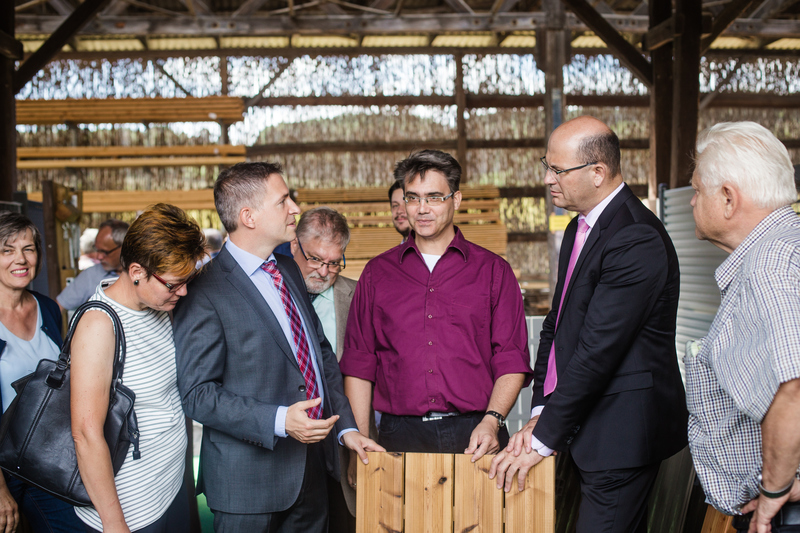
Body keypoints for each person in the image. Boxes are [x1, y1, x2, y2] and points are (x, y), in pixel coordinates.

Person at [488, 116, 687, 533]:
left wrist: (542, 437)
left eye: (557, 170)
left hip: (620, 434)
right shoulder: (581, 225)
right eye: (547, 165)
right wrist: (541, 410)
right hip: (580, 424)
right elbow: (557, 328)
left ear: (598, 173)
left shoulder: (635, 238)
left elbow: (598, 351)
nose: (546, 179)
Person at [173, 162, 383, 533]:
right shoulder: (204, 289)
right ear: (248, 216)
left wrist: (346, 430)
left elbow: (320, 357)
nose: (295, 209)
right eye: (283, 200)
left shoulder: (287, 270)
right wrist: (279, 420)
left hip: (312, 473)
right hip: (248, 487)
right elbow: (198, 395)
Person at [340, 149, 532, 461]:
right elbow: (360, 364)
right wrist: (361, 447)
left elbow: (511, 359)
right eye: (412, 198)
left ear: (456, 200)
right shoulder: (377, 274)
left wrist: (492, 420)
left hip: (477, 433)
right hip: (398, 437)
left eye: (434, 197)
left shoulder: (493, 271)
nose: (422, 209)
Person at [685, 122, 800, 533]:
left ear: (729, 199)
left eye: (698, 191)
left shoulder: (769, 265)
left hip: (783, 516)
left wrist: (773, 493)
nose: (692, 202)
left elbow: (794, 384)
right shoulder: (788, 247)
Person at [70, 204, 206, 533]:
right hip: (133, 507)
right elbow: (86, 435)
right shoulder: (98, 325)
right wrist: (114, 523)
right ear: (136, 271)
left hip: (171, 486)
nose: (183, 291)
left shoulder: (159, 305)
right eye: (174, 284)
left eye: (187, 280)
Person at [0, 211, 84, 533]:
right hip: (3, 468)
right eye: (8, 250)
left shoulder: (47, 307)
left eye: (29, 249)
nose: (20, 259)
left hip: (47, 459)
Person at [289, 206, 358, 533]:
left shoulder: (357, 297)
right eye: (315, 259)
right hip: (286, 444)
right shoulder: (277, 292)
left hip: (342, 438)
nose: (323, 271)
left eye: (333, 262)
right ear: (294, 246)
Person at [58, 219, 129, 311]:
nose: (98, 256)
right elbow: (58, 306)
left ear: (124, 247)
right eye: (97, 249)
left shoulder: (142, 274)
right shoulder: (90, 275)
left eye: (104, 252)